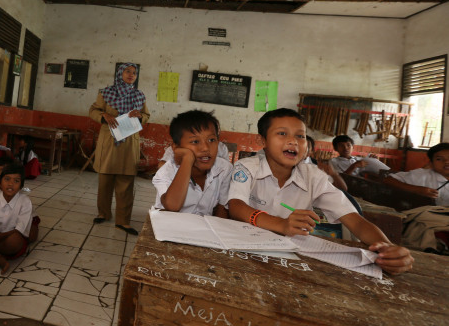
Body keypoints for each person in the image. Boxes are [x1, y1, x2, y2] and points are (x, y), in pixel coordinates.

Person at [227, 108, 413, 275]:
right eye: (282, 134)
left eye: (300, 136)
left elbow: (356, 222)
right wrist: (281, 224)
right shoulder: (247, 167)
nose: (293, 141)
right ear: (262, 141)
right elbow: (236, 206)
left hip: (286, 257)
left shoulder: (313, 177)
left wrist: (388, 250)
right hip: (241, 249)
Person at [89, 62, 149, 235]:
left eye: (134, 73)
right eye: (127, 71)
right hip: (109, 142)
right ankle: (103, 213)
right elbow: (93, 110)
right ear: (119, 74)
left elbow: (146, 115)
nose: (131, 75)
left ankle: (123, 221)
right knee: (105, 181)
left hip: (129, 143)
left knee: (126, 182)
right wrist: (103, 115)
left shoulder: (139, 95)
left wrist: (140, 116)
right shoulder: (106, 93)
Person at [153, 110, 231, 217]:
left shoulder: (224, 169)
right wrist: (187, 160)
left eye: (212, 140)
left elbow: (222, 209)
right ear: (176, 147)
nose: (205, 148)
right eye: (195, 142)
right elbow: (172, 206)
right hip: (169, 227)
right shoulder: (167, 171)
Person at [383, 143, 449, 204]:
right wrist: (416, 189)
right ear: (431, 163)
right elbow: (388, 180)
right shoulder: (421, 175)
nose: (446, 162)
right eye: (439, 159)